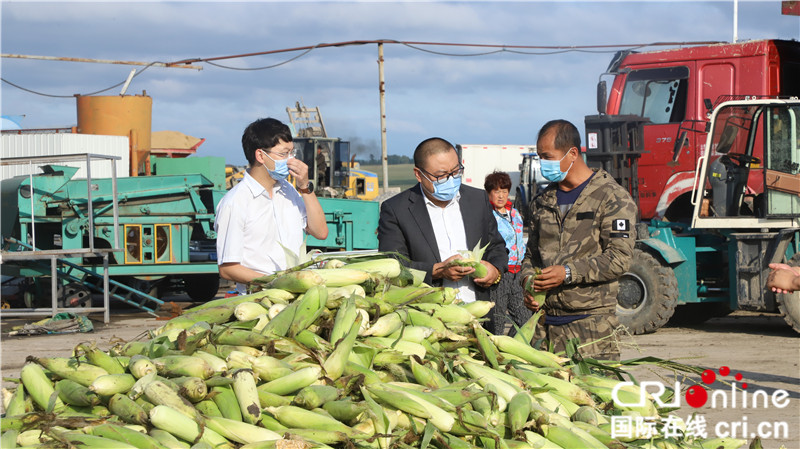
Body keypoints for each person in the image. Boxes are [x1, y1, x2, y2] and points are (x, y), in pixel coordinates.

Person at [520, 120, 637, 360]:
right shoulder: (542, 201)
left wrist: (568, 273)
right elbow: (531, 256)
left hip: (591, 329)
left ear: (572, 153)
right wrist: (528, 283)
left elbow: (619, 258)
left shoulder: (611, 197)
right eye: (540, 157)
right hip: (544, 328)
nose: (543, 163)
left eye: (547, 156)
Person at [378, 137, 507, 308]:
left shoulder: (477, 199)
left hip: (479, 312)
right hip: (426, 315)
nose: (451, 179)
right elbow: (393, 264)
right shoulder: (396, 210)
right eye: (441, 176)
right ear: (419, 174)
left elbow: (496, 246)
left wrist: (495, 271)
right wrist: (437, 271)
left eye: (455, 171)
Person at [215, 118, 328, 294]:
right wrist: (275, 283)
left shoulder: (288, 190)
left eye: (292, 153)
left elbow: (321, 232)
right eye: (284, 154)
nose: (290, 160)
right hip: (260, 297)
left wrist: (305, 187)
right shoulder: (235, 202)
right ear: (260, 156)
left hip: (296, 292)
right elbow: (228, 268)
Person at [484, 171, 532, 334]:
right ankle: (494, 354)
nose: (501, 196)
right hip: (499, 274)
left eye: (504, 191)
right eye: (496, 191)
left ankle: (512, 346)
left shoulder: (515, 213)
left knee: (525, 319)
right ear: (489, 193)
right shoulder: (487, 216)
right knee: (496, 322)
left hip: (517, 273)